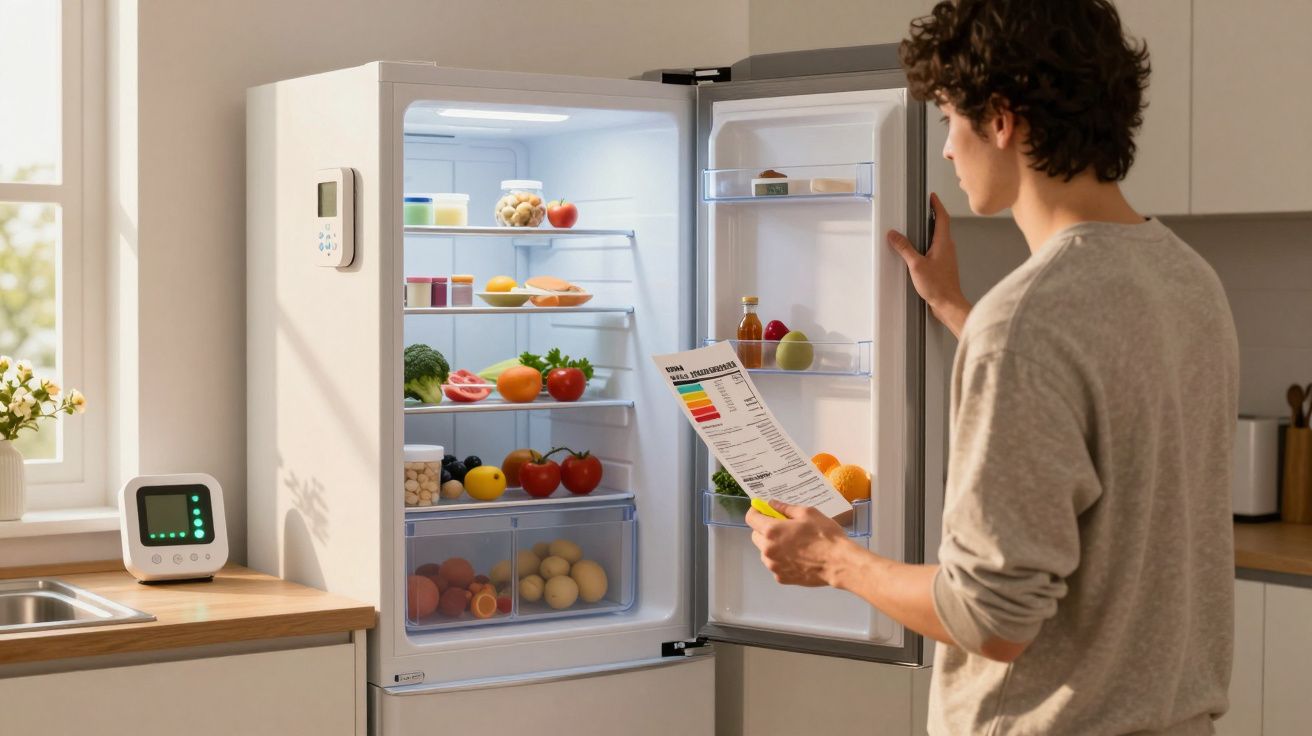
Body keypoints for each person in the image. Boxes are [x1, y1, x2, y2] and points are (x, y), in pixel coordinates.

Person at [745, 1, 1240, 733]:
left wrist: (832, 558)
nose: (946, 147)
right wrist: (954, 309)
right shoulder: (1189, 280)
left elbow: (992, 619)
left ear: (1002, 120)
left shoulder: (1027, 321)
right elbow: (1088, 385)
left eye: (948, 117)